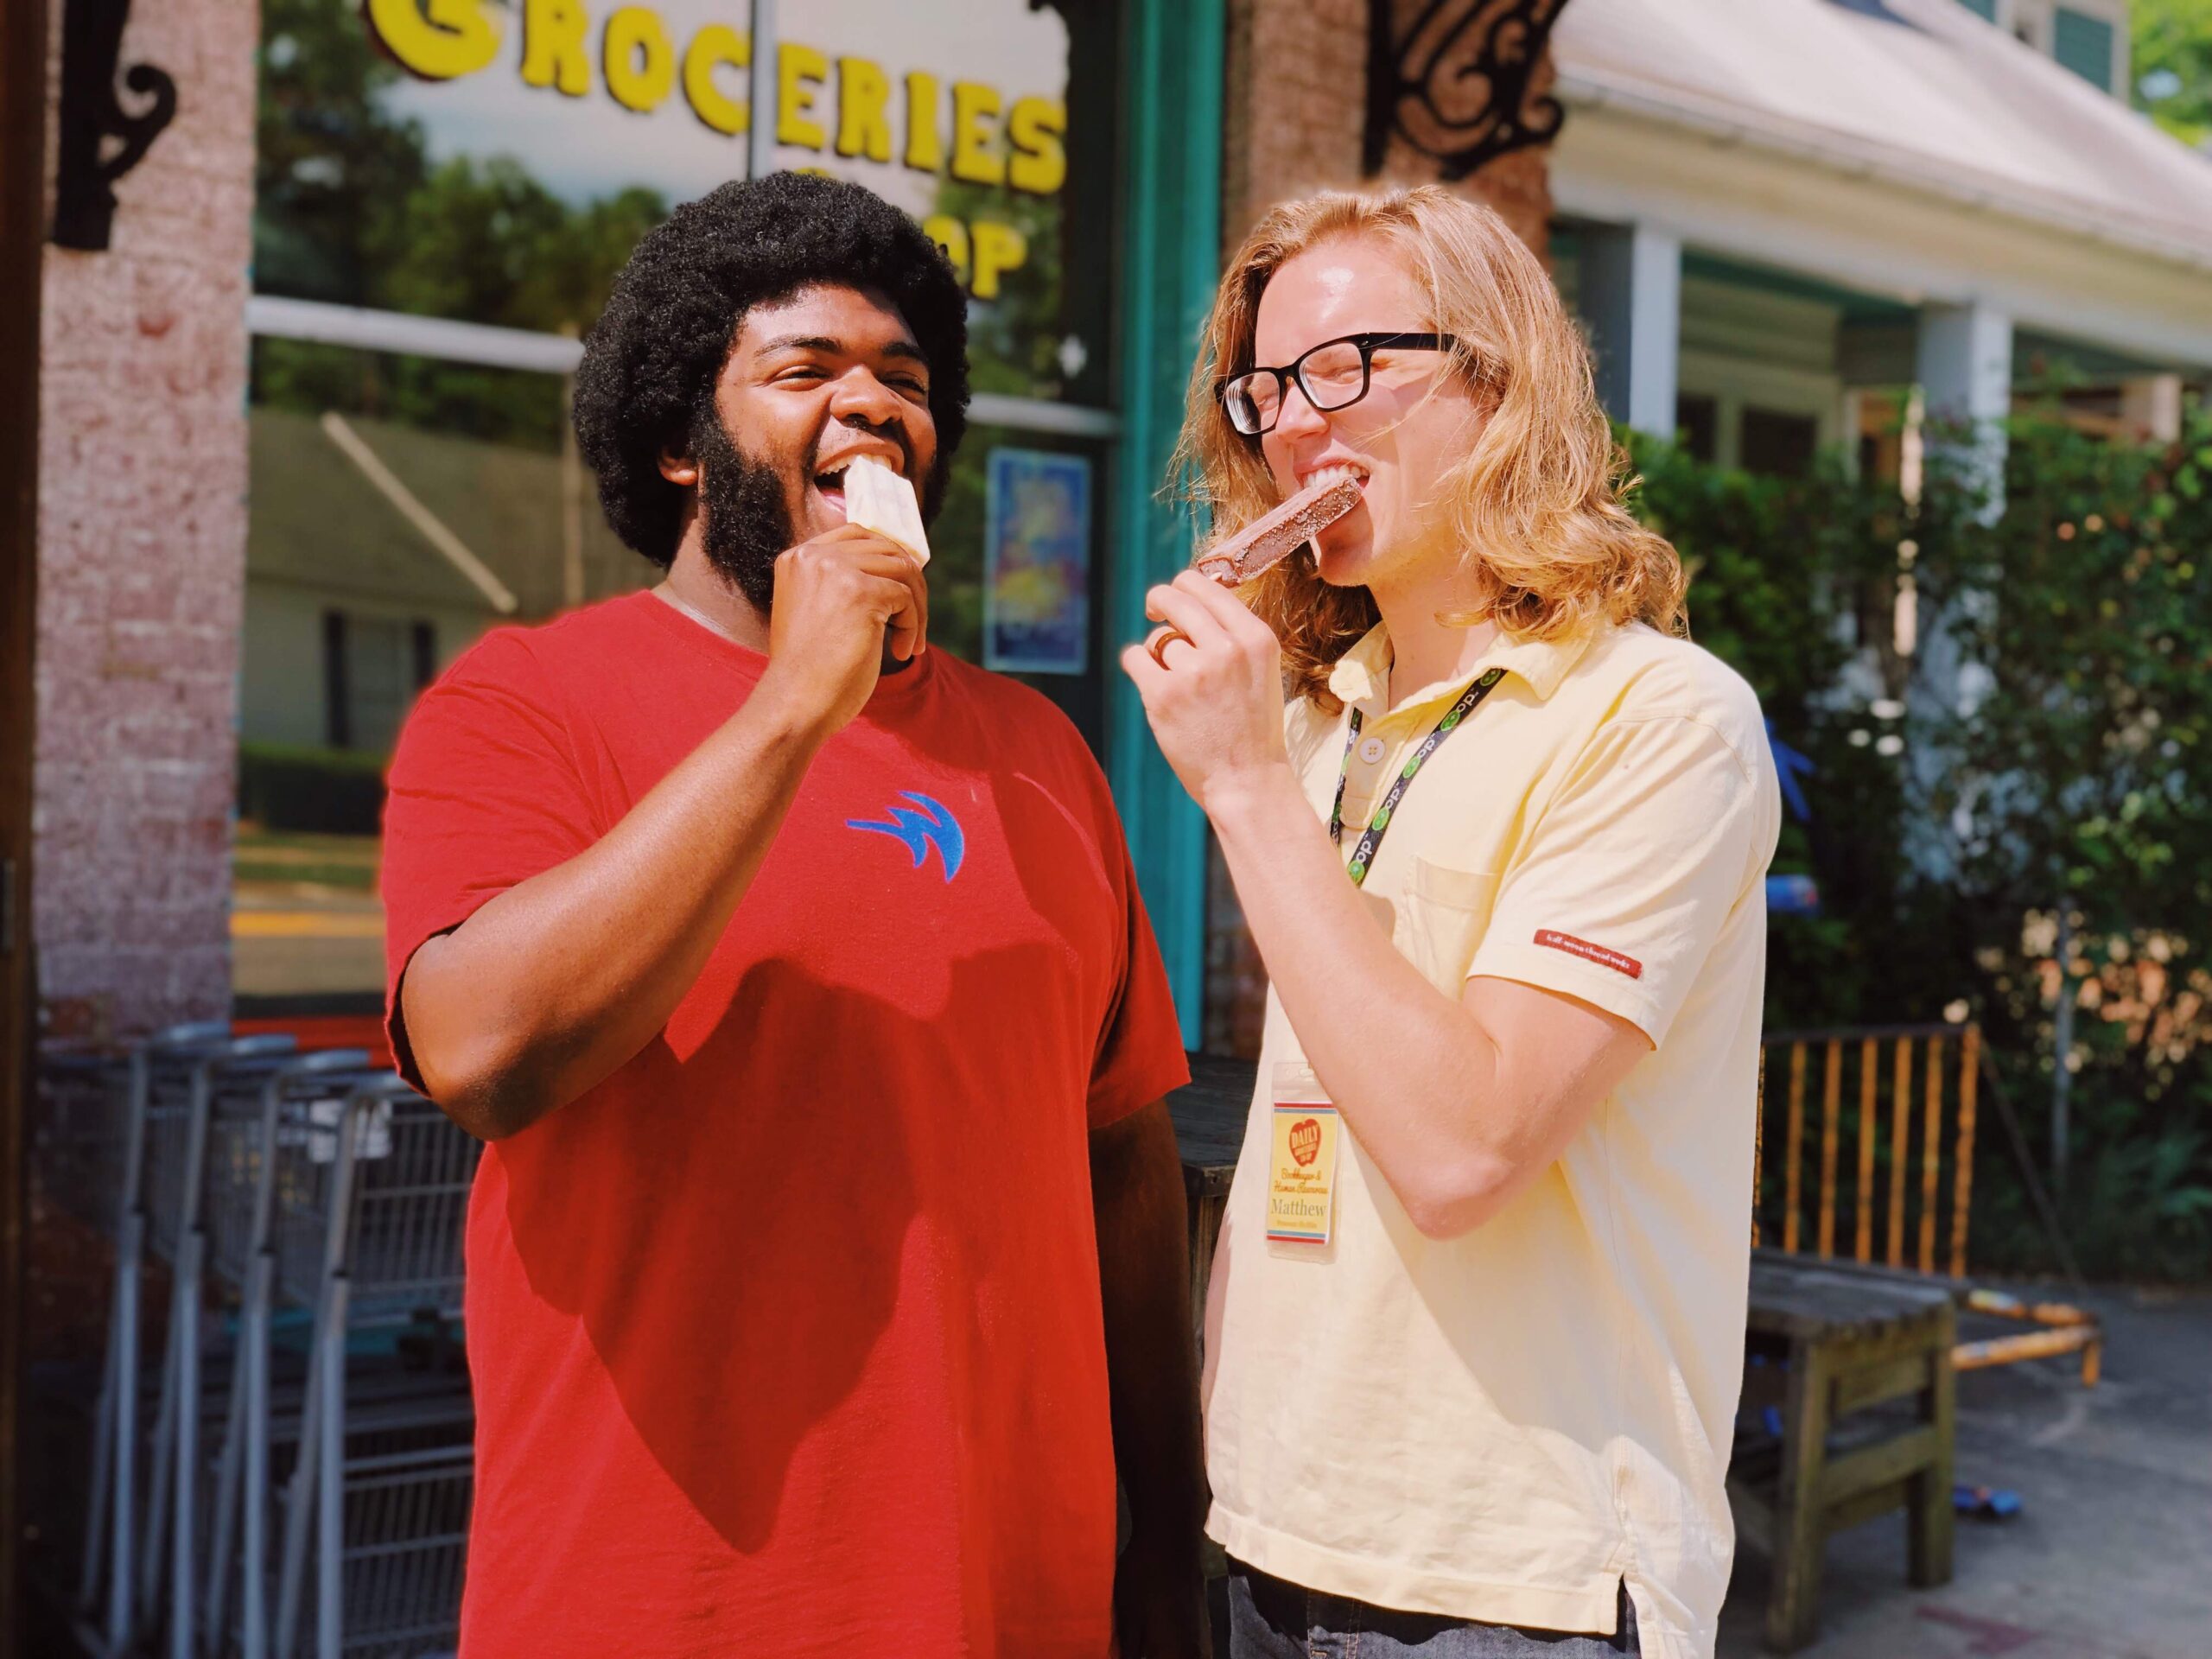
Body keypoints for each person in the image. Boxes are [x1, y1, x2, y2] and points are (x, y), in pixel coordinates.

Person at [381, 173, 1205, 1659]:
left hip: (1020, 1596)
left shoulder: (1042, 757)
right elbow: (483, 1057)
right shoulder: (524, 705)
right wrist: (793, 712)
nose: (872, 405)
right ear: (677, 447)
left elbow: (1123, 1158)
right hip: (668, 1602)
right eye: (804, 371)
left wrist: (1168, 1533)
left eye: (904, 379)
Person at [1122, 186, 1780, 1659]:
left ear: (1500, 379)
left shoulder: (1658, 719)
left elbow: (1462, 1147)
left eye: (1351, 365)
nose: (1299, 421)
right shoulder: (1320, 720)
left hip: (1515, 1585)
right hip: (1277, 1539)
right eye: (1268, 385)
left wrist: (1238, 786)